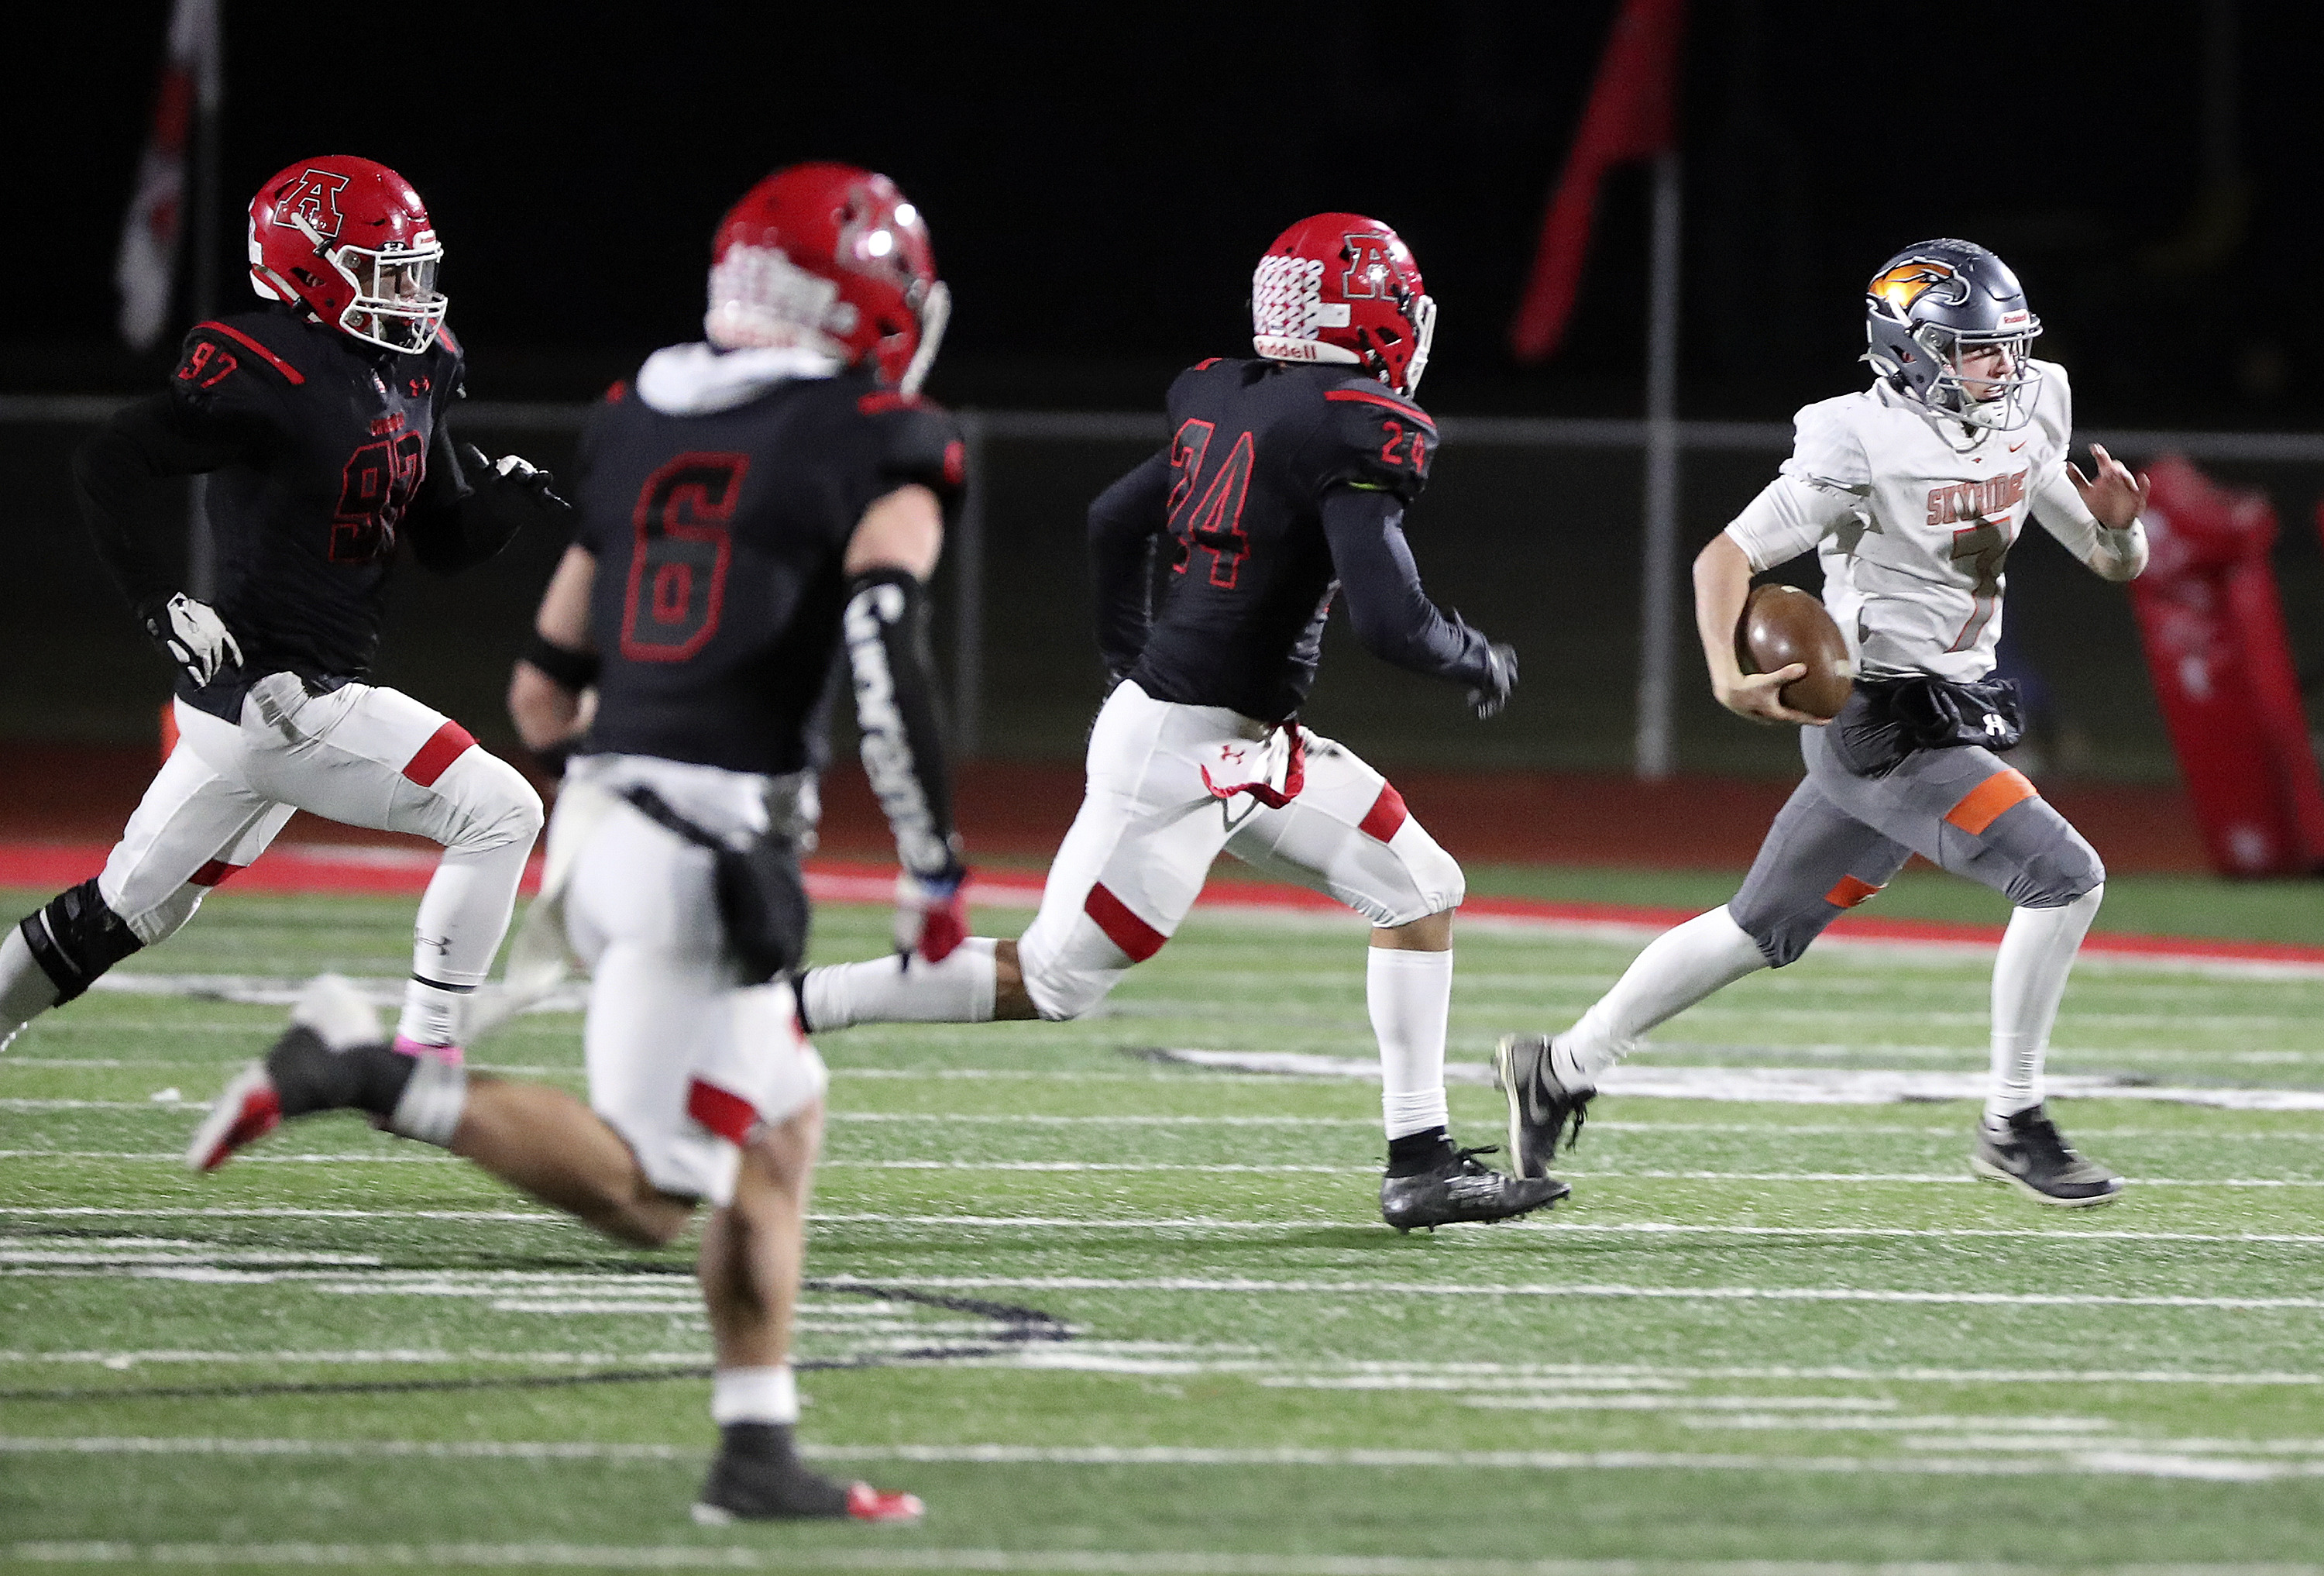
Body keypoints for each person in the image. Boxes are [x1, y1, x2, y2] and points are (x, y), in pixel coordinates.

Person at [188, 162, 958, 1524]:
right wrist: (933, 866)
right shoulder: (877, 435)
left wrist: (633, 779)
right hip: (698, 846)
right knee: (657, 1187)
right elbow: (885, 647)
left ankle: (753, 1444)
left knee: (780, 1123)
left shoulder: (638, 413)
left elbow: (543, 689)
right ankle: (367, 1070)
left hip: (609, 821)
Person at [799, 213, 1564, 1233]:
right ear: (1373, 317)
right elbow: (1390, 618)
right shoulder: (1353, 423)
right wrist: (1472, 653)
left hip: (1247, 747)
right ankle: (790, 1003)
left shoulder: (1233, 401)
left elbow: (1114, 519)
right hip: (1185, 750)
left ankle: (1420, 1161)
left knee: (1420, 887)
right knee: (1054, 980)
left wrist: (1127, 658)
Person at [1495, 239, 2150, 1207]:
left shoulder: (2032, 406)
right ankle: (2014, 1120)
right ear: (1911, 350)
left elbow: (2111, 564)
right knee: (2064, 877)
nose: (2001, 369)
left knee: (1757, 930)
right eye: (1975, 350)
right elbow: (1727, 555)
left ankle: (1561, 1066)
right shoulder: (1857, 437)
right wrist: (1724, 672)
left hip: (1950, 705)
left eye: (2006, 348)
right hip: (1879, 720)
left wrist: (2122, 525)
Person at [0, 156, 556, 1062]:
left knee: (123, 911)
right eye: (386, 270)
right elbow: (110, 460)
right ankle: (428, 1058)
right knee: (501, 811)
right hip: (277, 694)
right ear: (309, 271)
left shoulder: (416, 366)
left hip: (260, 708)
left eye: (416, 268)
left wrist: (503, 501)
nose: (413, 294)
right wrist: (161, 601)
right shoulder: (274, 367)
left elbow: (447, 540)